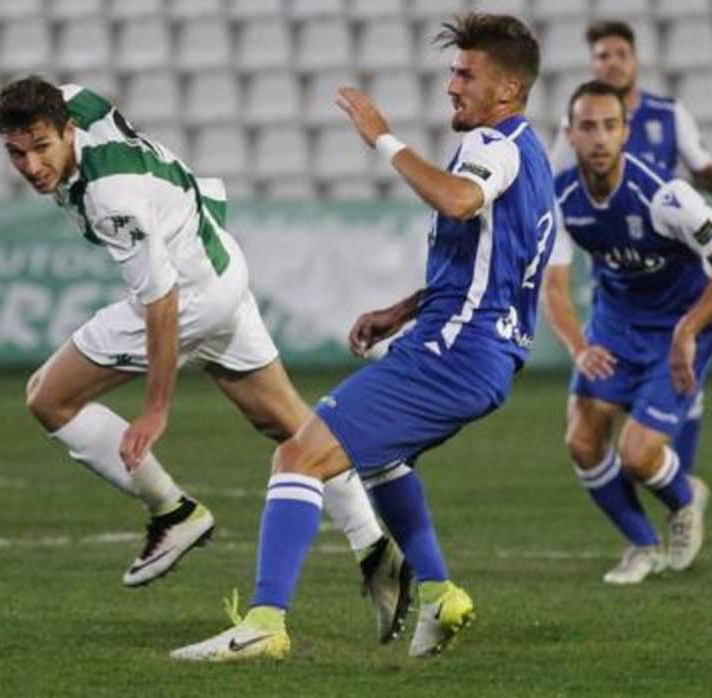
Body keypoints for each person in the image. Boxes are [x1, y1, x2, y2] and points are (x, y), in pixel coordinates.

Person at [0, 75, 412, 642]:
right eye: (16, 153)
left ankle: (173, 511)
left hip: (188, 293)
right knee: (293, 429)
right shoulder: (63, 103)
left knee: (49, 397)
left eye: (41, 148)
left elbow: (161, 303)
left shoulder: (111, 200)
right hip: (217, 261)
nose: (31, 166)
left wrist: (155, 409)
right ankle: (375, 549)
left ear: (67, 131)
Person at [171, 13, 554, 662]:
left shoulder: (494, 146)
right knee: (379, 462)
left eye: (467, 74)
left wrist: (382, 138)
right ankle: (439, 594)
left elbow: (458, 201)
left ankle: (265, 623)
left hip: (455, 354)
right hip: (476, 352)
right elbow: (494, 263)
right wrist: (403, 309)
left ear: (508, 90)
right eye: (453, 72)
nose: (452, 85)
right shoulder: (534, 156)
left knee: (299, 455)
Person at [542, 81, 712, 585]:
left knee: (638, 455)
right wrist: (579, 347)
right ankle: (642, 546)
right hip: (615, 326)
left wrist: (688, 330)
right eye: (588, 127)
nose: (599, 138)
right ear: (570, 136)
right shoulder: (558, 199)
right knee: (582, 441)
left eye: (610, 126)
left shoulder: (667, 196)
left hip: (681, 326)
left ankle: (684, 500)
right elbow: (554, 288)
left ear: (626, 132)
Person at [549, 20, 712, 478]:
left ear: (635, 60)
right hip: (617, 274)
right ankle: (660, 478)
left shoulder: (669, 115)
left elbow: (702, 171)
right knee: (596, 419)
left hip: (671, 258)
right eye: (602, 56)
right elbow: (554, 190)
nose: (612, 63)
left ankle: (678, 478)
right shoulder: (575, 124)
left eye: (620, 54)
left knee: (676, 390)